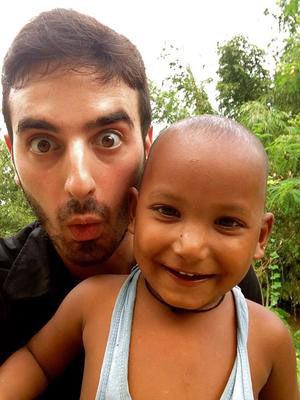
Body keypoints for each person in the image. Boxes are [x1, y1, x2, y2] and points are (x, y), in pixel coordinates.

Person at [0, 8, 262, 399]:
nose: (79, 183)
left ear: (146, 144)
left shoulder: (224, 281)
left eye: (108, 138)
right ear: (13, 156)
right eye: (42, 143)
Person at [0, 115, 298, 399]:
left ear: (260, 236)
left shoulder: (268, 339)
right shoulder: (94, 303)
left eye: (227, 222)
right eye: (168, 212)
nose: (190, 247)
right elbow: (36, 362)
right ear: (134, 212)